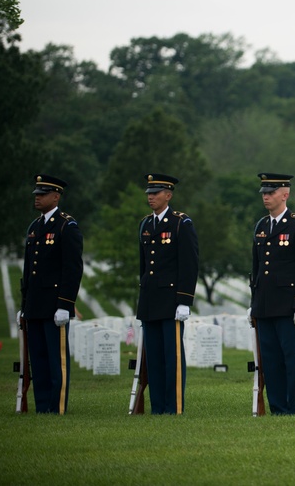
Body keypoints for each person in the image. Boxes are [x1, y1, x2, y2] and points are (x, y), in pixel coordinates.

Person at [249, 173, 295, 415]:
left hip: (289, 307)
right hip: (265, 306)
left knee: (292, 361)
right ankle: (277, 408)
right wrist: (253, 303)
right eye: (264, 193)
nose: (266, 197)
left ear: (285, 194)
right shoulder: (261, 226)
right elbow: (256, 269)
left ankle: (294, 407)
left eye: (271, 192)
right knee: (271, 362)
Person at [20, 174, 83, 414]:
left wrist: (65, 305)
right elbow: (29, 270)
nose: (37, 198)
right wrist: (24, 304)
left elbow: (72, 268)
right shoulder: (35, 227)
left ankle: (56, 407)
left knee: (57, 362)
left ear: (56, 196)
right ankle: (42, 406)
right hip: (35, 305)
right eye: (36, 194)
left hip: (55, 304)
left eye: (43, 194)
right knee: (38, 360)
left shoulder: (67, 226)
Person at [136, 173, 198, 415]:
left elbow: (189, 264)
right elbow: (144, 266)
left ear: (168, 195)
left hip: (171, 301)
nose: (151, 197)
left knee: (171, 359)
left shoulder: (181, 223)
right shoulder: (145, 224)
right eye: (149, 193)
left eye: (156, 193)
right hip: (150, 300)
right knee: (153, 359)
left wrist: (184, 300)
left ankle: (173, 407)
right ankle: (158, 407)